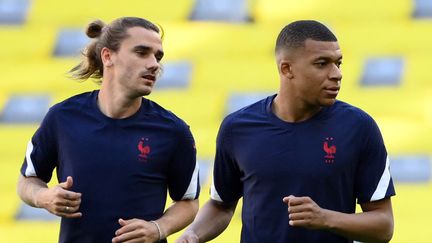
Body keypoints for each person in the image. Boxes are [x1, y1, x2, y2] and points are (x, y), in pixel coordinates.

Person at [176, 20, 395, 243]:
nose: (336, 74)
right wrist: (193, 234)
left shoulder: (358, 127)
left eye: (338, 63)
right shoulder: (237, 128)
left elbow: (383, 225)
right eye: (322, 64)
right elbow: (221, 205)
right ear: (286, 68)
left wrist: (325, 218)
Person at [17, 17, 200, 243]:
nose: (154, 64)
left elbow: (189, 202)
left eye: (158, 56)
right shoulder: (62, 117)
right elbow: (28, 181)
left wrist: (158, 228)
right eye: (142, 52)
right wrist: (43, 196)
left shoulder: (174, 131)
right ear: (107, 56)